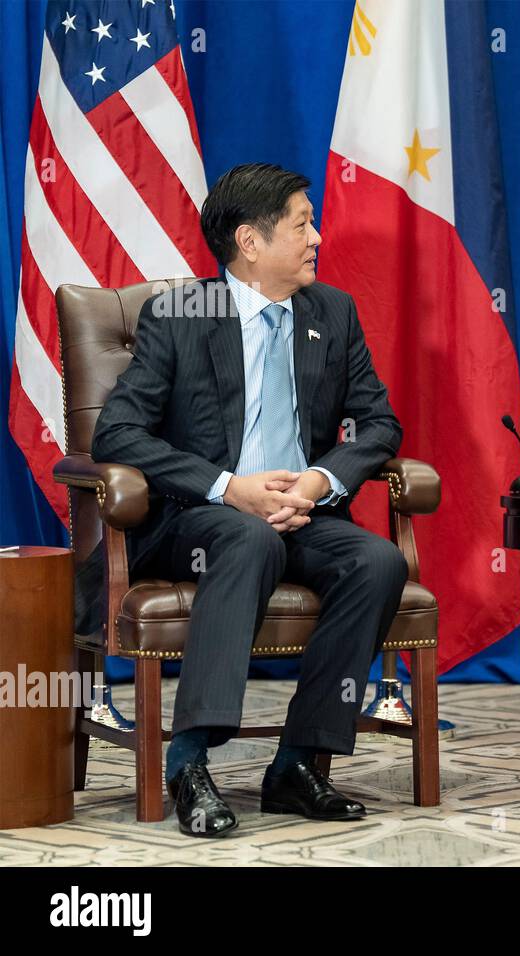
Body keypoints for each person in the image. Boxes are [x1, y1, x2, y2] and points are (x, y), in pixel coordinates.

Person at [82, 163, 410, 837]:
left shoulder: (332, 312)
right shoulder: (180, 314)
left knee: (376, 561)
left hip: (304, 513)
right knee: (248, 535)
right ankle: (190, 761)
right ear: (250, 242)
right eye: (301, 224)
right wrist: (230, 489)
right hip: (198, 521)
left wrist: (320, 482)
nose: (317, 236)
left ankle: (299, 763)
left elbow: (379, 424)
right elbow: (117, 431)